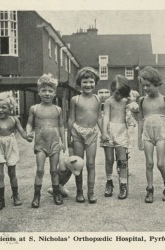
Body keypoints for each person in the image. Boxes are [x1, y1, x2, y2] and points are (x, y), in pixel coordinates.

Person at [60, 67, 102, 204]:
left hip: (92, 133)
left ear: (95, 82)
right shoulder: (75, 99)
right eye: (85, 82)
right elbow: (71, 119)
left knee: (91, 163)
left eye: (91, 82)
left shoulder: (97, 99)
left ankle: (91, 192)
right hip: (77, 133)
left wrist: (104, 133)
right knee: (78, 164)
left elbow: (99, 118)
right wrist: (68, 138)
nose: (88, 85)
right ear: (80, 83)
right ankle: (79, 192)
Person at [0, 93, 32, 211]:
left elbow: (22, 132)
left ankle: (15, 195)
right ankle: (1, 199)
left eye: (4, 107)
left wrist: (27, 137)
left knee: (12, 172)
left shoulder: (14, 119)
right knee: (0, 174)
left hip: (11, 145)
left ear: (10, 108)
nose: (0, 110)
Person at [26, 73, 66, 208]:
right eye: (44, 91)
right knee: (40, 170)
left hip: (54, 143)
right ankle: (36, 196)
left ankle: (56, 193)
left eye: (50, 91)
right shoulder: (34, 108)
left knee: (54, 170)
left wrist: (63, 142)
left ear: (55, 93)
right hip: (41, 143)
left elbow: (61, 126)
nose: (47, 94)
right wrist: (28, 132)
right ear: (39, 92)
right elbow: (29, 124)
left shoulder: (58, 109)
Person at [138, 66, 165, 203]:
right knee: (149, 163)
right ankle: (149, 189)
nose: (145, 89)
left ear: (156, 83)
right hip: (147, 135)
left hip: (161, 134)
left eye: (148, 85)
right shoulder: (142, 100)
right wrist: (139, 139)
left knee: (160, 164)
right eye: (143, 86)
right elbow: (140, 120)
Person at [101, 75, 131, 199]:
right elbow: (106, 117)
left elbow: (135, 103)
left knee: (122, 160)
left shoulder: (126, 101)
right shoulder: (108, 102)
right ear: (112, 90)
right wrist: (104, 132)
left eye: (121, 93)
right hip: (110, 130)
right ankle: (109, 182)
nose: (118, 96)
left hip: (122, 131)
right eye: (116, 92)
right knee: (109, 160)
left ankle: (123, 184)